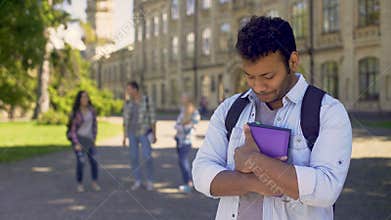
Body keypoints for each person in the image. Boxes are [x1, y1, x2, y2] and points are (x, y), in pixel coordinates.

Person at [192, 16, 352, 220]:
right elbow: (201, 174)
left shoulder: (327, 111)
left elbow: (326, 190)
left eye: (268, 77)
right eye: (249, 76)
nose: (258, 86)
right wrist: (252, 182)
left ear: (293, 62)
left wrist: (254, 160)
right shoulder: (230, 109)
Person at [123, 81, 157, 191]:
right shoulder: (128, 103)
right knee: (134, 157)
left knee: (147, 157)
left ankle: (149, 181)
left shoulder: (146, 101)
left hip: (144, 132)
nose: (127, 92)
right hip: (132, 133)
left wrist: (154, 134)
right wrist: (124, 136)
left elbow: (152, 118)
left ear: (135, 90)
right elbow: (125, 120)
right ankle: (137, 180)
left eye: (129, 89)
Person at [69, 91, 100, 192]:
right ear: (79, 99)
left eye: (86, 97)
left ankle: (94, 182)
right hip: (79, 138)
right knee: (81, 162)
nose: (85, 99)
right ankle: (80, 183)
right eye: (82, 97)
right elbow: (72, 130)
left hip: (89, 139)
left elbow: (94, 125)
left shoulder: (92, 111)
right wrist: (76, 143)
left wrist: (94, 138)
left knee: (94, 161)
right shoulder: (75, 112)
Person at [174, 94, 200, 193]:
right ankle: (186, 182)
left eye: (183, 97)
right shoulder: (183, 110)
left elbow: (189, 128)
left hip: (187, 141)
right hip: (179, 139)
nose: (181, 99)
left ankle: (189, 183)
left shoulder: (194, 113)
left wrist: (182, 126)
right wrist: (182, 125)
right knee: (181, 162)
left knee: (183, 162)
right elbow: (177, 125)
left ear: (189, 99)